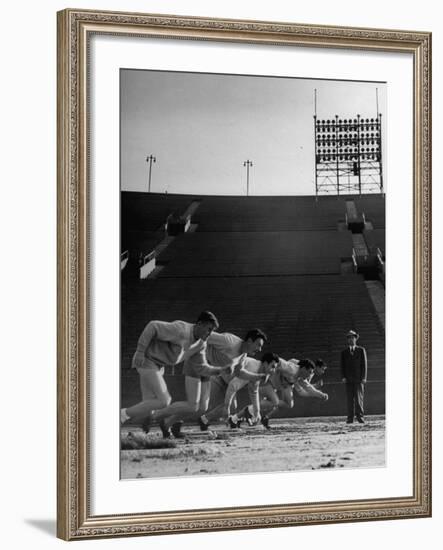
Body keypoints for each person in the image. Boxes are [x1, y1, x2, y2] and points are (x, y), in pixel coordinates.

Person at [120, 311, 219, 425]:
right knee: (164, 400)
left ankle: (139, 436)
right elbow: (153, 325)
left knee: (148, 409)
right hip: (147, 361)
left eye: (212, 331)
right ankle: (122, 414)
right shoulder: (180, 330)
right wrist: (140, 351)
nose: (210, 333)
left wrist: (219, 371)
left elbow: (201, 367)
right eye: (209, 329)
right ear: (199, 324)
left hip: (159, 367)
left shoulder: (201, 344)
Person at [143, 340, 233, 438]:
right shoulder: (226, 340)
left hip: (208, 367)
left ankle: (167, 423)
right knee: (192, 406)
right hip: (196, 364)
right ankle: (154, 416)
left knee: (202, 407)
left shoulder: (239, 354)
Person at [197, 329, 268, 430]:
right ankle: (174, 420)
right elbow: (204, 334)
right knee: (199, 406)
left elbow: (240, 373)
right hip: (204, 366)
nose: (260, 349)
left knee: (231, 406)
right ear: (249, 341)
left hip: (220, 375)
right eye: (258, 345)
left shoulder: (243, 355)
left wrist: (256, 377)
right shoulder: (229, 341)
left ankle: (203, 420)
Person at [241, 357, 328, 429]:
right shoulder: (292, 368)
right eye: (309, 372)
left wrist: (320, 395)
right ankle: (251, 411)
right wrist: (272, 371)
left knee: (287, 404)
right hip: (271, 382)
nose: (309, 375)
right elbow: (278, 361)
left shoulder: (302, 376)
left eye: (310, 373)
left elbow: (308, 388)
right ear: (303, 369)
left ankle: (248, 414)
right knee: (274, 403)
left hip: (285, 385)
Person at [222, 352, 280, 428]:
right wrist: (226, 407)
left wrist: (257, 412)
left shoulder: (259, 371)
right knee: (230, 407)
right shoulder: (253, 369)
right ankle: (205, 419)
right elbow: (232, 386)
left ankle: (206, 420)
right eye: (273, 366)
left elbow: (254, 391)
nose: (274, 370)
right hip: (220, 376)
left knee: (231, 407)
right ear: (265, 363)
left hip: (225, 377)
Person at [340, 330, 367, 424]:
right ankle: (350, 418)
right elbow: (342, 365)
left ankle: (360, 417)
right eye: (349, 338)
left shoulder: (361, 350)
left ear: (356, 338)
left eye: (352, 337)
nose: (351, 339)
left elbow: (364, 365)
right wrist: (343, 377)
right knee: (349, 399)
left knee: (359, 399)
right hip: (348, 379)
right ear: (347, 340)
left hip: (359, 379)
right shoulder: (344, 352)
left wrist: (364, 377)